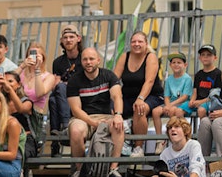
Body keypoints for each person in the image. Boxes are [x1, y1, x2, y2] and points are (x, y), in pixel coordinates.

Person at [66, 47, 125, 177]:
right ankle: (80, 170)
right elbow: (76, 110)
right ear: (81, 62)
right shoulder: (74, 81)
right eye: (85, 59)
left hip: (106, 116)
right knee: (76, 130)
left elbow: (117, 97)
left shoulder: (109, 75)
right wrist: (93, 122)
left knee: (119, 126)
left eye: (91, 59)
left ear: (98, 60)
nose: (88, 62)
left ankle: (113, 168)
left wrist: (118, 115)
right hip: (83, 118)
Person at [113, 31, 162, 157]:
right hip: (128, 96)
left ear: (146, 44)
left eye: (140, 41)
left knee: (140, 108)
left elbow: (149, 81)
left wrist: (141, 98)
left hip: (151, 95)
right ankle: (120, 144)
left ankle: (138, 147)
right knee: (112, 109)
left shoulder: (151, 57)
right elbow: (114, 79)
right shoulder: (125, 56)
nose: (136, 44)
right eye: (134, 41)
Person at [48, 25, 82, 156]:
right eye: (65, 38)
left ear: (78, 38)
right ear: (61, 41)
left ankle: (62, 129)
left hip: (81, 95)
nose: (68, 40)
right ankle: (59, 131)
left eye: (71, 37)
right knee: (54, 97)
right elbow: (55, 83)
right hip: (64, 97)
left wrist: (66, 83)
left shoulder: (84, 58)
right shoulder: (58, 62)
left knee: (60, 90)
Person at [151, 53, 192, 138]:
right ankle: (159, 139)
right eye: (174, 62)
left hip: (182, 103)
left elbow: (184, 97)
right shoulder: (169, 79)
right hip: (171, 103)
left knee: (173, 110)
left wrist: (169, 105)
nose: (176, 64)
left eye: (179, 62)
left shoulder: (187, 79)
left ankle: (176, 135)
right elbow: (166, 96)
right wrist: (167, 105)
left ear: (185, 65)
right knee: (155, 112)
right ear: (170, 65)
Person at [188, 46, 222, 122]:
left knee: (201, 110)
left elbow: (216, 95)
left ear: (215, 58)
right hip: (197, 101)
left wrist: (200, 102)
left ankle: (204, 130)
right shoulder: (198, 74)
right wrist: (192, 100)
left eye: (209, 55)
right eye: (203, 55)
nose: (205, 57)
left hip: (209, 101)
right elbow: (195, 91)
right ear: (200, 58)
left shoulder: (218, 74)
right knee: (179, 111)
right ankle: (185, 131)